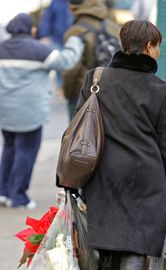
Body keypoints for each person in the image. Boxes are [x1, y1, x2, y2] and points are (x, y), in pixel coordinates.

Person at [74, 20, 166, 270]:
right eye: (158, 45)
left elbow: (79, 128)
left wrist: (69, 177)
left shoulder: (95, 79)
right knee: (137, 246)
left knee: (108, 244)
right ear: (150, 46)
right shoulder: (160, 89)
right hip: (146, 177)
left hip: (102, 174)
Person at [0, 13, 83, 209]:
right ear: (32, 30)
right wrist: (75, 41)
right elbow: (66, 61)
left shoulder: (1, 49)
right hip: (29, 112)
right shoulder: (39, 50)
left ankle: (3, 191)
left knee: (10, 149)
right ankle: (18, 196)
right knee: (26, 151)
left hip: (5, 111)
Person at [62, 0, 120, 119]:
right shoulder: (113, 27)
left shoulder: (76, 31)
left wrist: (68, 92)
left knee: (78, 133)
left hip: (83, 91)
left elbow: (72, 68)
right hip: (111, 90)